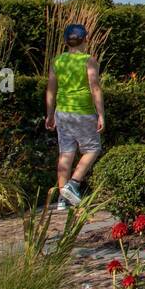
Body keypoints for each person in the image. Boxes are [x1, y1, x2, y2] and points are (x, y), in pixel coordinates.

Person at [45, 23, 105, 210]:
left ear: (65, 41)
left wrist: (49, 114)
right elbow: (95, 87)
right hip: (83, 111)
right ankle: (74, 183)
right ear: (85, 39)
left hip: (62, 113)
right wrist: (101, 114)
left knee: (66, 153)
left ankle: (63, 199)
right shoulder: (88, 60)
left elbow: (51, 89)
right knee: (93, 149)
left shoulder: (57, 61)